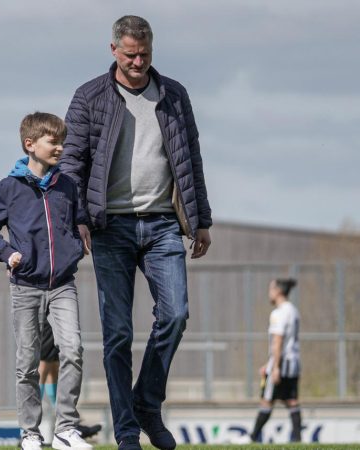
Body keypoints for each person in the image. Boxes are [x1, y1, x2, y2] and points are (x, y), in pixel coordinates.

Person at [61, 15, 213, 450]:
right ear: (114, 50)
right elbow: (71, 162)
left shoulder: (173, 95)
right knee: (118, 334)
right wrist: (78, 217)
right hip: (110, 226)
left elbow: (191, 158)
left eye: (144, 54)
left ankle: (146, 402)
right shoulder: (89, 96)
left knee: (176, 314)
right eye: (130, 54)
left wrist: (201, 219)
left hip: (164, 223)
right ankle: (126, 431)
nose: (138, 62)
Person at [0, 112, 91, 450]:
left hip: (63, 285)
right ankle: (30, 433)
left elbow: (78, 220)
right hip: (25, 287)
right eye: (53, 142)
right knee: (27, 363)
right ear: (30, 144)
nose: (60, 148)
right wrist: (6, 253)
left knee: (73, 350)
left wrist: (76, 244)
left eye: (62, 142)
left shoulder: (67, 185)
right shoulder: (8, 188)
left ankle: (66, 429)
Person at [233, 278, 302, 444]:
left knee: (267, 399)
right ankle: (298, 439)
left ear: (278, 291)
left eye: (271, 289)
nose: (269, 293)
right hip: (293, 363)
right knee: (292, 400)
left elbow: (278, 341)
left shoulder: (279, 313)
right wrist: (269, 363)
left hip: (282, 363)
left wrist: (275, 367)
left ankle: (252, 437)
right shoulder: (293, 310)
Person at [38, 319, 102, 441]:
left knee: (53, 368)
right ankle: (28, 430)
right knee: (43, 366)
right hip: (44, 315)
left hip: (54, 317)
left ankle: (68, 425)